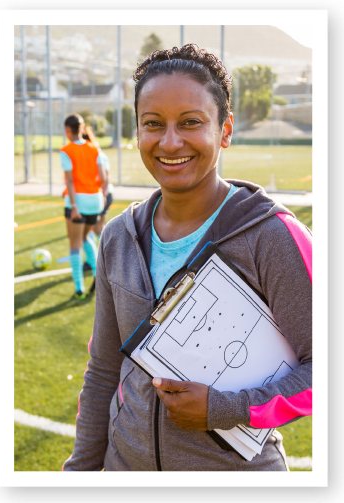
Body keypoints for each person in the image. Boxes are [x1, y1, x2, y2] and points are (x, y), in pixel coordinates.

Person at [63, 45, 312, 471]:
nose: (170, 141)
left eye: (191, 122)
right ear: (138, 131)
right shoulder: (118, 237)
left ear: (225, 129)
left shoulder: (273, 236)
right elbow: (104, 369)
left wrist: (224, 408)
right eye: (153, 124)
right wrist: (79, 475)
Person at [60, 114, 106, 299]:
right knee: (87, 237)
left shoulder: (66, 150)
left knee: (75, 244)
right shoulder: (94, 148)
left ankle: (78, 287)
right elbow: (102, 178)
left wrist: (73, 206)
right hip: (95, 201)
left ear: (67, 130)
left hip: (78, 202)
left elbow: (70, 181)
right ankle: (97, 276)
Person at [81, 126, 114, 274]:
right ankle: (93, 261)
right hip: (98, 195)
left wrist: (104, 195)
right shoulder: (92, 152)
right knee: (93, 230)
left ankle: (104, 262)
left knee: (98, 230)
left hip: (102, 195)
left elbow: (106, 177)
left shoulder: (96, 153)